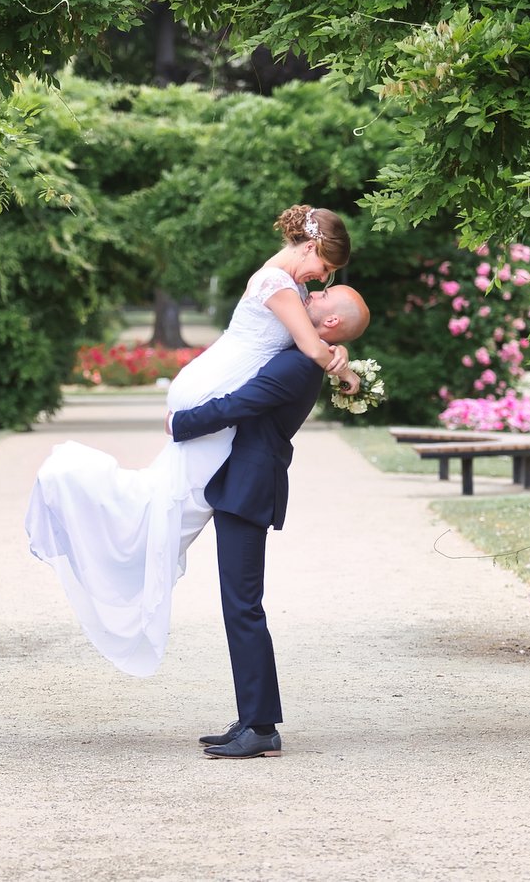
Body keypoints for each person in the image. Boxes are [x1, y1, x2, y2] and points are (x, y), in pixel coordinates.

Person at [25, 205, 357, 676]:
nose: (323, 280)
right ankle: (81, 497)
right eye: (325, 267)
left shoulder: (293, 285)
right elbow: (309, 346)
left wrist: (335, 348)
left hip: (214, 395)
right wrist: (346, 370)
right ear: (310, 247)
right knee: (164, 501)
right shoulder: (279, 285)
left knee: (166, 497)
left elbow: (318, 337)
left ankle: (255, 719)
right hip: (212, 398)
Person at [169, 285, 370, 759]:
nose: (314, 293)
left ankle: (261, 727)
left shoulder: (298, 365)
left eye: (323, 295)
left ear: (332, 323)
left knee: (243, 607)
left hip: (248, 488)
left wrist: (180, 423)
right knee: (240, 605)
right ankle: (252, 717)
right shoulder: (303, 353)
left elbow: (240, 403)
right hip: (246, 483)